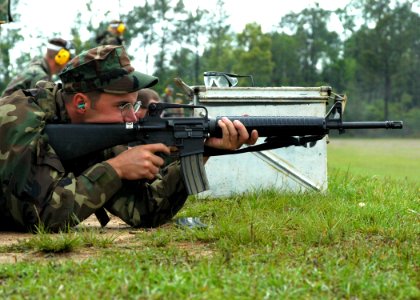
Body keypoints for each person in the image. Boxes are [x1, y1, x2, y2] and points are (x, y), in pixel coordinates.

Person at [0, 45, 258, 232]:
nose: (132, 118)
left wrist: (202, 151)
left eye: (133, 107)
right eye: (122, 106)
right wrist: (115, 169)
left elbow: (148, 210)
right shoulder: (20, 117)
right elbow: (42, 216)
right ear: (80, 104)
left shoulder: (95, 131)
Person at [1, 38, 76, 97]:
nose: (68, 63)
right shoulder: (39, 76)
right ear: (61, 57)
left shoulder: (37, 70)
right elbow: (47, 110)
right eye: (68, 59)